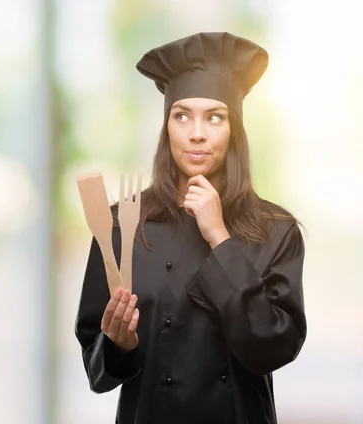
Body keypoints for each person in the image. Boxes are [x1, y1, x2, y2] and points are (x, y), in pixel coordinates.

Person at [74, 32, 307, 424]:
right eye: (182, 115)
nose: (196, 132)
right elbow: (96, 370)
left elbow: (274, 350)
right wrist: (118, 346)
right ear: (167, 128)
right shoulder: (120, 224)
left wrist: (220, 237)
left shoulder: (277, 231)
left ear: (234, 130)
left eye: (214, 117)